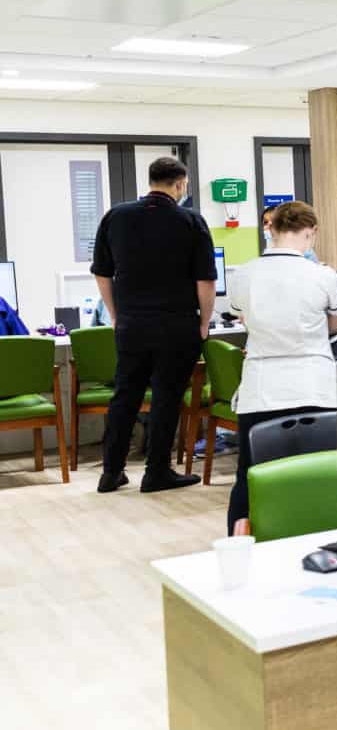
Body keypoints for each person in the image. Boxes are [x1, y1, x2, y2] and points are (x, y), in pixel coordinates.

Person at [90, 155, 216, 492]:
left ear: (150, 181)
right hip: (176, 325)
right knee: (166, 396)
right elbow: (205, 280)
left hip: (132, 325)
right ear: (179, 184)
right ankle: (156, 471)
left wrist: (116, 314)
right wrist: (205, 321)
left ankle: (110, 472)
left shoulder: (116, 217)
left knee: (125, 394)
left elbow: (102, 272)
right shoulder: (191, 221)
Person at [225, 201, 337, 535]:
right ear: (311, 233)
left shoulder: (244, 274)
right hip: (315, 386)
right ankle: (319, 539)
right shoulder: (323, 275)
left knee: (250, 476)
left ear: (271, 230)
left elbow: (242, 316)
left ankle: (242, 547)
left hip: (262, 389)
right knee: (320, 471)